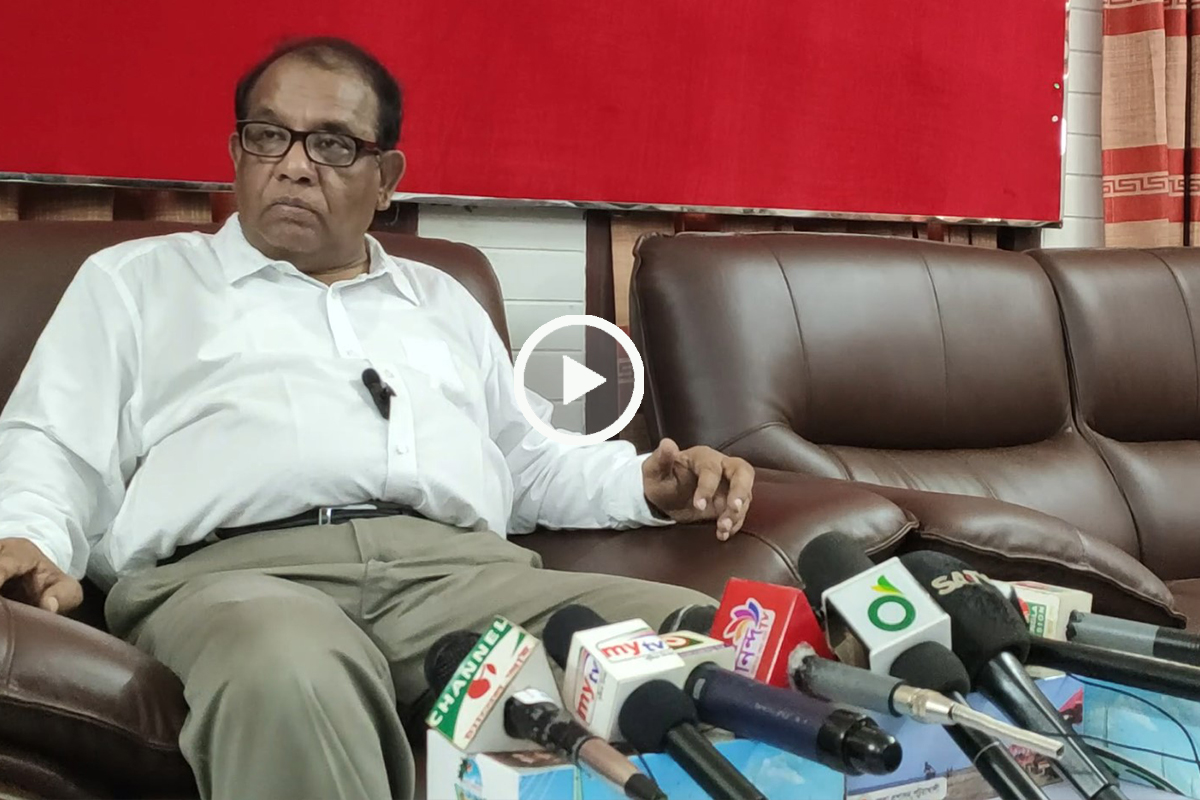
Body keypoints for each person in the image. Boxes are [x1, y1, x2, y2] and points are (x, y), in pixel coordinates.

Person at [0, 37, 754, 800]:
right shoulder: (140, 281)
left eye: (332, 144)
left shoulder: (441, 299)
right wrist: (29, 538)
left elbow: (522, 463)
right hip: (237, 579)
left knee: (716, 647)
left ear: (386, 177)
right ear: (236, 152)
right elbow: (52, 441)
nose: (295, 166)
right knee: (289, 666)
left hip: (459, 578)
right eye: (269, 136)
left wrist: (645, 485)